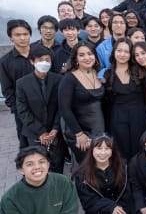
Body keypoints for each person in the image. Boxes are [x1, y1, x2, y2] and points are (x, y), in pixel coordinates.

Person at [0, 146, 85, 214]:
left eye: (42, 162)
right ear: (21, 170)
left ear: (48, 165)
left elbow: (69, 210)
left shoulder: (63, 182)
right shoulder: (10, 199)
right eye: (30, 164)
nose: (37, 167)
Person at [16, 45, 65, 173]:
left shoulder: (58, 80)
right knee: (38, 166)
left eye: (47, 60)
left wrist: (55, 128)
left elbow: (62, 106)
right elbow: (23, 110)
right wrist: (41, 132)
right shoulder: (22, 83)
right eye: (40, 60)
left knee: (56, 164)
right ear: (32, 62)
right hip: (34, 133)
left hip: (55, 132)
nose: (44, 63)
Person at [74, 135, 133, 214]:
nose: (102, 153)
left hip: (121, 208)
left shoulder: (122, 167)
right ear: (91, 150)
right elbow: (88, 202)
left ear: (112, 151)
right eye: (99, 148)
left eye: (107, 148)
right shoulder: (81, 174)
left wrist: (119, 207)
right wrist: (110, 206)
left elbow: (126, 192)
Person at [104, 37, 146, 160]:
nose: (122, 54)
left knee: (140, 149)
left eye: (126, 51)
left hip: (139, 115)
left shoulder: (140, 71)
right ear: (114, 52)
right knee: (120, 152)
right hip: (118, 116)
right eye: (119, 51)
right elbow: (108, 100)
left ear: (131, 54)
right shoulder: (108, 75)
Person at [58, 41, 104, 163]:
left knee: (100, 163)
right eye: (82, 55)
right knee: (85, 166)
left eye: (90, 54)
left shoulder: (97, 73)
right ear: (76, 58)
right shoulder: (69, 78)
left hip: (99, 129)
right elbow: (64, 109)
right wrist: (79, 134)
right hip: (80, 131)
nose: (87, 58)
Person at [0, 19, 33, 148]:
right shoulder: (5, 61)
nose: (22, 38)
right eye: (17, 35)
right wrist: (17, 109)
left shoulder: (41, 54)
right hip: (22, 109)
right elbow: (7, 89)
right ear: (11, 37)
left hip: (45, 106)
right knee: (26, 142)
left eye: (25, 34)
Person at [96, 13, 127, 78]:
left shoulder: (132, 43)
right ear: (110, 25)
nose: (119, 25)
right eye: (115, 22)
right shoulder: (101, 47)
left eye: (122, 22)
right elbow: (99, 69)